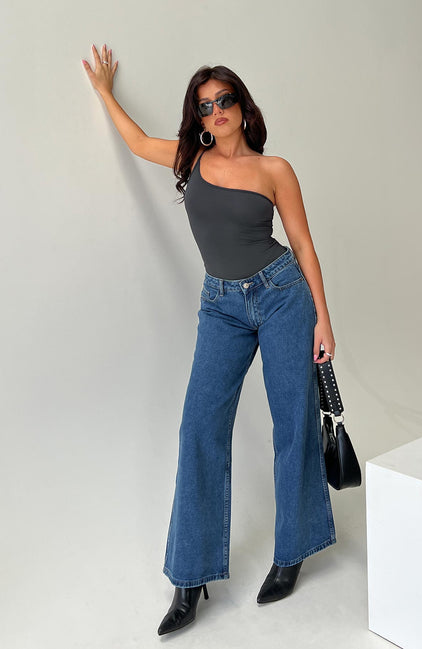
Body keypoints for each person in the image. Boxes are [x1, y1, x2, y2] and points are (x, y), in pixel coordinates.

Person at [83, 43, 337, 636]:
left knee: (293, 421)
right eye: (205, 105)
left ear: (242, 107)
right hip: (221, 305)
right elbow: (137, 141)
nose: (216, 111)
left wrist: (323, 319)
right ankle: (190, 576)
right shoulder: (190, 158)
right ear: (197, 117)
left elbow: (302, 244)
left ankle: (294, 549)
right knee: (199, 427)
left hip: (282, 295)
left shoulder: (275, 170)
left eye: (225, 100)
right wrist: (104, 93)